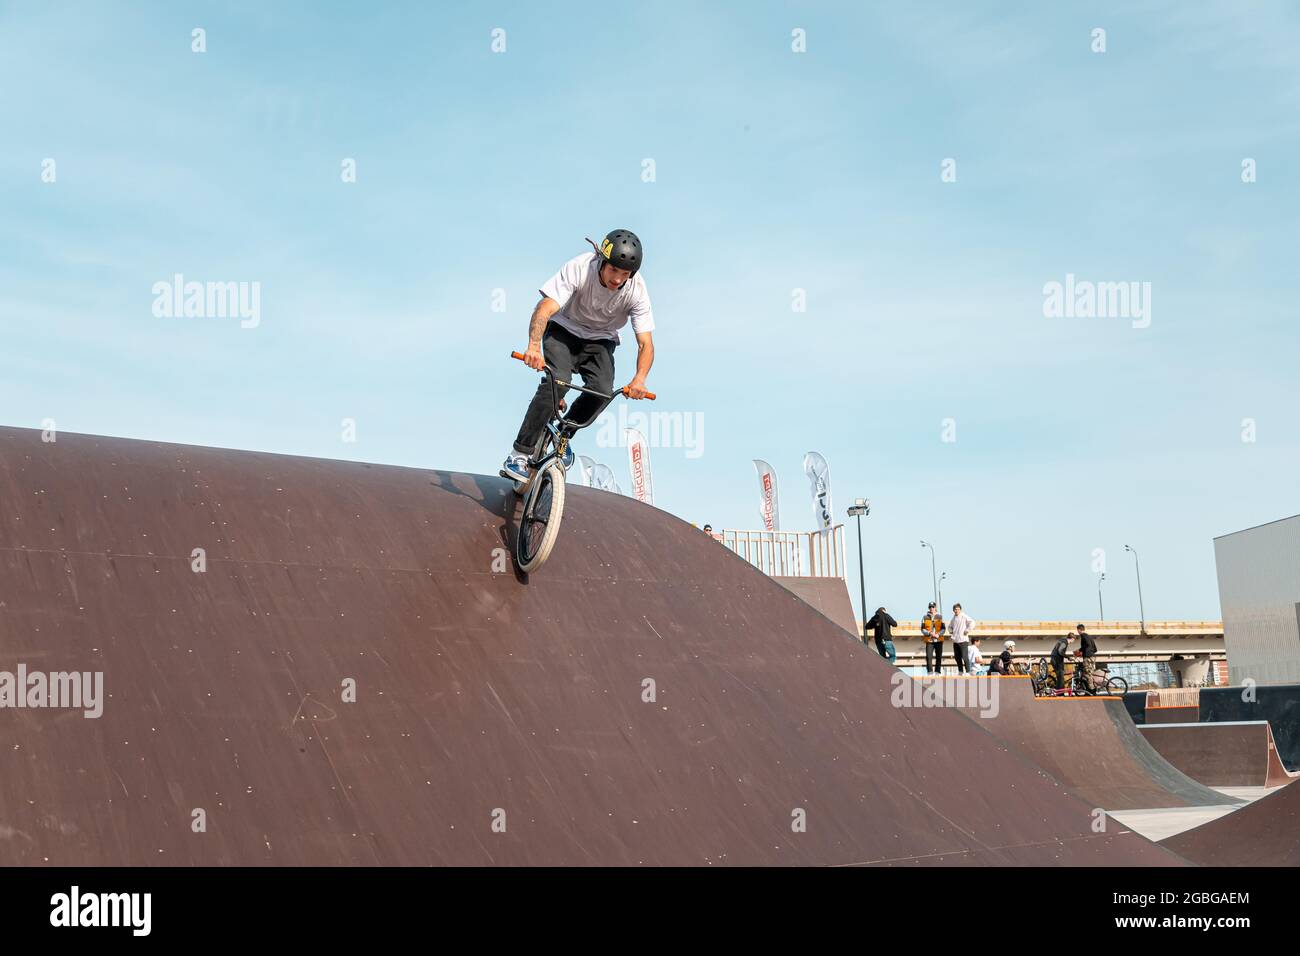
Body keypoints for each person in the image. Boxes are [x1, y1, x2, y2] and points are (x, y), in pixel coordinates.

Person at [503, 229, 654, 482]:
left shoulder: (636, 290)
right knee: (557, 381)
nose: (617, 279)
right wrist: (533, 346)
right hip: (564, 330)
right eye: (613, 270)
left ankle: (563, 434)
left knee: (603, 391)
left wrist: (640, 379)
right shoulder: (580, 268)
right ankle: (519, 453)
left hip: (601, 340)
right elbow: (545, 308)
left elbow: (645, 343)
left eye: (625, 274)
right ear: (601, 262)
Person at [948, 603, 976, 674]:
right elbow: (949, 627)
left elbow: (972, 622)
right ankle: (960, 671)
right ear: (953, 610)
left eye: (958, 609)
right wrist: (951, 631)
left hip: (963, 640)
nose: (956, 610)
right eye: (955, 609)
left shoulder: (964, 616)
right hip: (955, 641)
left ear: (960, 609)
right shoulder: (953, 618)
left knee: (964, 656)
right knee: (957, 657)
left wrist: (967, 630)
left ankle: (968, 671)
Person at [920, 602, 946, 674]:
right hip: (929, 640)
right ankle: (930, 672)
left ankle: (937, 672)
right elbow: (922, 629)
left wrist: (938, 634)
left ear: (935, 608)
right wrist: (929, 633)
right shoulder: (925, 617)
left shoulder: (940, 617)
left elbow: (943, 628)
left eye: (933, 607)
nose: (932, 608)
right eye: (930, 607)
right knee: (928, 657)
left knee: (938, 657)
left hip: (939, 640)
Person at [1077, 623, 1098, 691]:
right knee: (1090, 673)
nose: (1078, 632)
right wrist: (1088, 653)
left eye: (1078, 630)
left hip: (1087, 657)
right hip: (1092, 657)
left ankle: (1091, 690)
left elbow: (1087, 645)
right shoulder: (1089, 636)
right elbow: (1095, 649)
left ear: (1079, 630)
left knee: (1087, 674)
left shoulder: (1083, 636)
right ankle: (1092, 688)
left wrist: (1081, 651)